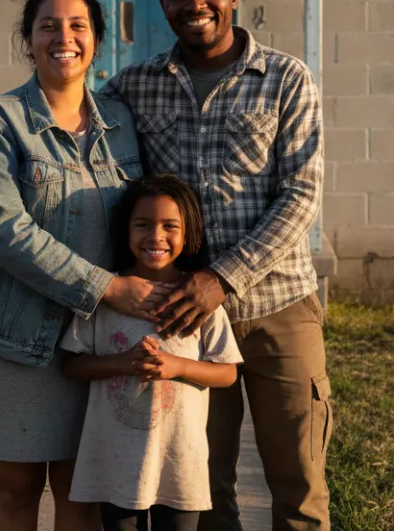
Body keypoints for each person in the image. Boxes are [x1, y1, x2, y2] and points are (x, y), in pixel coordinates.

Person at [0, 0, 333, 530]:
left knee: (298, 483)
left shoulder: (284, 78)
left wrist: (219, 279)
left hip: (272, 303)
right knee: (200, 485)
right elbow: (11, 209)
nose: (196, 3)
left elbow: (302, 197)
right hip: (164, 315)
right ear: (161, 4)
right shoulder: (134, 91)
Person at [0, 0, 175, 531]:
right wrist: (109, 287)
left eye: (78, 26)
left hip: (96, 341)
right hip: (13, 336)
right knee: (18, 488)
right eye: (48, 25)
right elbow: (3, 231)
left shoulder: (123, 124)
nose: (63, 37)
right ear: (28, 40)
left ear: (96, 41)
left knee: (81, 489)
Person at [61, 174, 243, 531]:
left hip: (179, 462)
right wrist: (124, 363)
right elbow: (71, 364)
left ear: (188, 232)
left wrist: (176, 366)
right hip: (115, 463)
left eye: (170, 226)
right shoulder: (107, 297)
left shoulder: (197, 301)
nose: (156, 237)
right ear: (125, 229)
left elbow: (227, 372)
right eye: (143, 224)